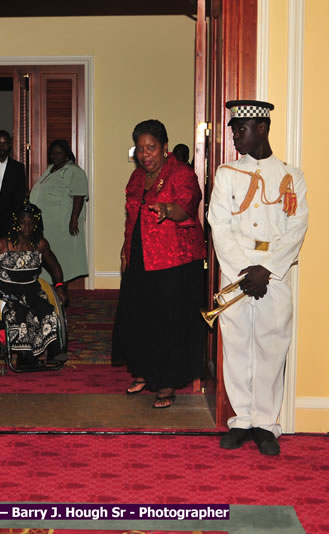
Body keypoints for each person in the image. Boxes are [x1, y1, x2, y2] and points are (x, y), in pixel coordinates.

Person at [207, 100, 308, 456]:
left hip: (274, 275)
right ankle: (243, 420)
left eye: (241, 129)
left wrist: (267, 269)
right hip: (236, 272)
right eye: (234, 129)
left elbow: (296, 227)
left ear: (261, 128)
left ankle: (266, 423)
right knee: (235, 346)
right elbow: (218, 223)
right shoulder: (226, 173)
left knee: (271, 346)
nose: (235, 136)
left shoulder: (291, 176)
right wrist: (241, 270)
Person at [111, 119, 206, 409]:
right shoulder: (137, 178)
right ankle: (143, 372)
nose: (145, 154)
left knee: (168, 322)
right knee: (139, 317)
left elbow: (187, 206)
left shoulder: (181, 174)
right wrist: (126, 248)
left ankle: (165, 383)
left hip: (173, 262)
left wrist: (166, 209)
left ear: (165, 148)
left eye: (151, 147)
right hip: (140, 257)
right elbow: (132, 218)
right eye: (140, 149)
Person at [0, 202, 67, 366]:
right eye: (23, 222)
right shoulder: (2, 244)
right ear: (16, 223)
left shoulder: (40, 245)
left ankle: (54, 351)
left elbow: (55, 267)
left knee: (47, 311)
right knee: (19, 314)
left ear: (36, 225)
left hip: (32, 288)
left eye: (31, 223)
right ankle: (25, 356)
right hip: (7, 290)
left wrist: (59, 287)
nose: (27, 227)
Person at [29, 139, 88, 299]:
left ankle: (60, 293)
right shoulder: (51, 169)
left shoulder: (74, 171)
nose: (54, 156)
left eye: (59, 153)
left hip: (63, 225)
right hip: (48, 225)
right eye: (52, 153)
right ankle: (51, 293)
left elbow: (79, 195)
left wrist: (74, 219)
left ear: (67, 154)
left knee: (63, 259)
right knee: (49, 256)